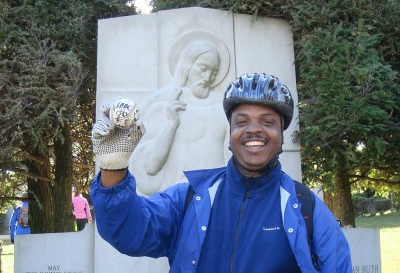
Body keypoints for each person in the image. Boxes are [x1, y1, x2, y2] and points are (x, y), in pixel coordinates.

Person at [91, 73, 352, 272]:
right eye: (241, 121)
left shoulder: (306, 207)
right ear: (230, 136)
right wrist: (113, 168)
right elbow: (129, 233)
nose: (253, 130)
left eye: (267, 122)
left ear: (281, 137)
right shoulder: (189, 198)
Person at [131, 39, 229, 195]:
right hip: (176, 198)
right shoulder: (165, 102)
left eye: (214, 72)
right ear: (188, 65)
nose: (209, 77)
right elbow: (150, 166)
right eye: (203, 68)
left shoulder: (225, 106)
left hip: (217, 196)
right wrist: (171, 125)